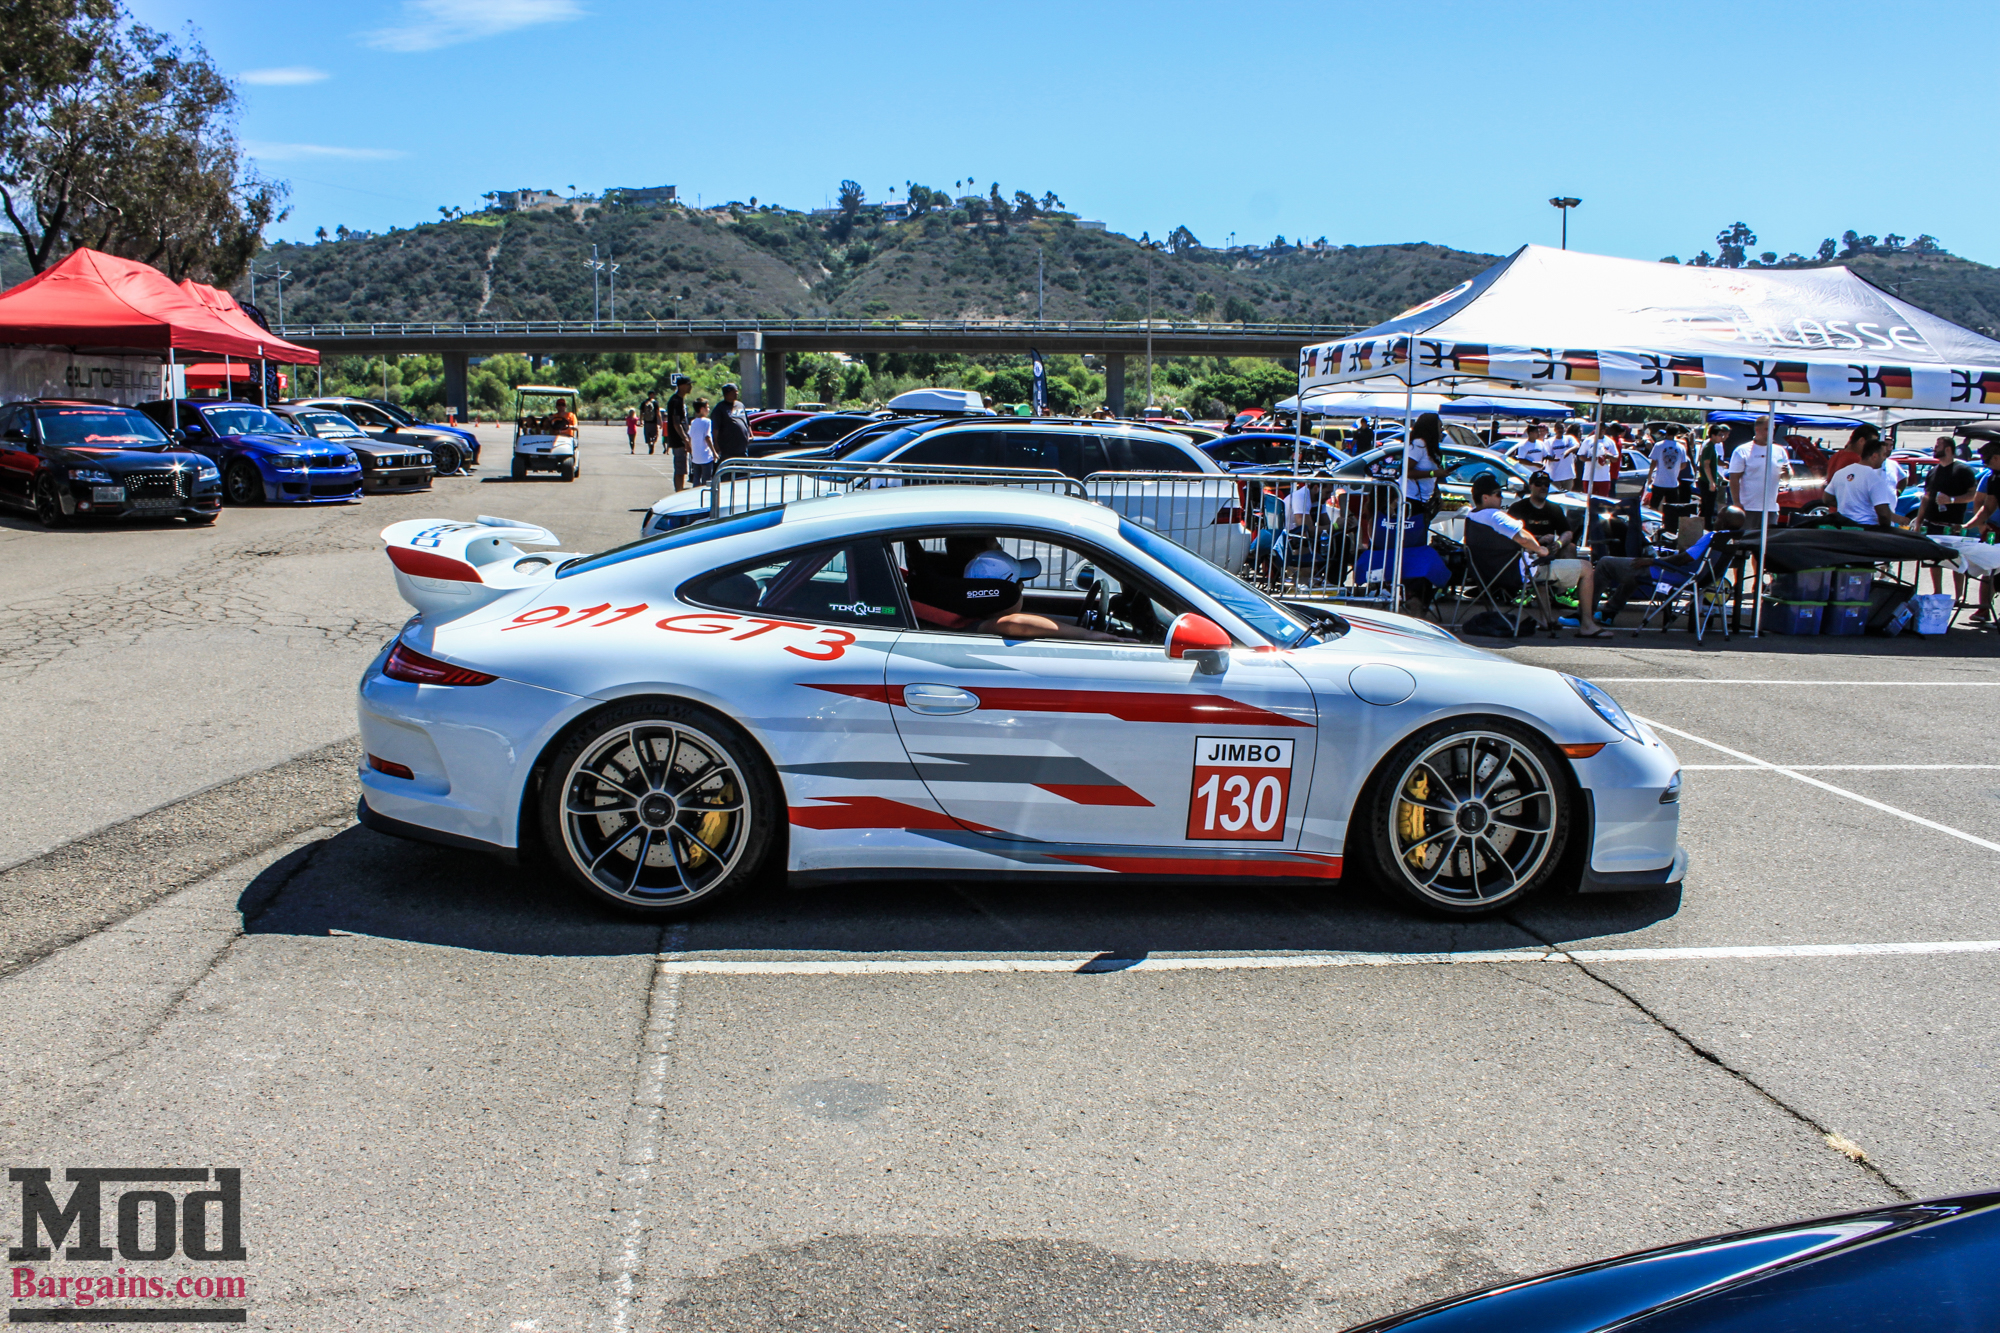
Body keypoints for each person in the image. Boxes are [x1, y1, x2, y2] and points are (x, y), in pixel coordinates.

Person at [1465, 474, 1610, 637]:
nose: (1501, 498)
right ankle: (1587, 625)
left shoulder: (1472, 516)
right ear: (1485, 497)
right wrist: (1541, 550)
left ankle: (1546, 620)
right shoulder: (1494, 515)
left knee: (1538, 566)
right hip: (1516, 574)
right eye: (1498, 494)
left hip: (1487, 574)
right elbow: (1523, 537)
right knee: (1586, 568)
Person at [949, 536, 1125, 641]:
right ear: (1004, 595)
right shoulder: (978, 626)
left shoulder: (972, 618)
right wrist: (1087, 635)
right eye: (1019, 583)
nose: (1023, 587)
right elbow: (1015, 623)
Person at [1593, 505, 1744, 626]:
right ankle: (1608, 613)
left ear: (1723, 522)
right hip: (1701, 579)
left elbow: (1683, 558)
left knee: (1605, 563)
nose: (1715, 519)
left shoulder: (1713, 536)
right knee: (1634, 573)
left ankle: (1586, 612)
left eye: (1719, 517)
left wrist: (1654, 561)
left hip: (1676, 575)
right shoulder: (1732, 540)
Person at [1505, 470, 1600, 623]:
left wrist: (1559, 543)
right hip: (1526, 553)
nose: (1543, 487)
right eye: (1539, 484)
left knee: (1570, 547)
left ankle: (1562, 593)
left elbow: (1567, 532)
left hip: (1548, 552)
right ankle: (1527, 591)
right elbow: (1510, 535)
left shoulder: (1554, 508)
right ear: (1530, 486)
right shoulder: (1518, 507)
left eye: (1546, 484)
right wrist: (1538, 539)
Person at [1915, 436, 1979, 596]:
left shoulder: (1963, 470)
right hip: (1932, 524)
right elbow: (1926, 497)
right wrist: (1918, 522)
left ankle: (1959, 596)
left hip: (1952, 525)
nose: (1934, 448)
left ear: (1948, 449)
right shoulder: (1933, 471)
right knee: (1934, 561)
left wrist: (1952, 500)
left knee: (1956, 561)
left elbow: (1973, 495)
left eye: (1938, 446)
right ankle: (1938, 593)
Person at [1826, 433, 1899, 529]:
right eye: (1883, 455)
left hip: (1844, 528)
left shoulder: (1840, 473)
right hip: (1866, 529)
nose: (1884, 458)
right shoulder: (1875, 478)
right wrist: (1885, 530)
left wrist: (1847, 504)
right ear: (1874, 456)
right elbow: (1884, 514)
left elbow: (1826, 498)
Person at [1964, 438, 2000, 625]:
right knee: (1991, 568)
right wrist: (1968, 525)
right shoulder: (1994, 477)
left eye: (1987, 460)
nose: (1985, 465)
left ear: (1996, 457)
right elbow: (1987, 507)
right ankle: (1984, 610)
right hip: (1996, 529)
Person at [1726, 417, 1785, 519]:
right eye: (1767, 429)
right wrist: (1737, 503)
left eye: (1773, 429)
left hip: (1771, 508)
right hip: (1748, 507)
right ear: (1757, 429)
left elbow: (1788, 476)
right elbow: (1734, 478)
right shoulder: (1742, 451)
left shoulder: (1779, 451)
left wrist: (1787, 473)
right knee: (1748, 530)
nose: (1770, 433)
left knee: (1770, 530)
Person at [1645, 427, 1689, 512]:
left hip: (1659, 482)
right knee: (1672, 508)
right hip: (1673, 483)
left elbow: (1653, 463)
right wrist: (1676, 469)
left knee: (1654, 506)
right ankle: (1669, 520)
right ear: (1676, 434)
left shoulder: (1658, 445)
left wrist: (1649, 476)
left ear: (1666, 432)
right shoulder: (1681, 447)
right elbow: (1684, 464)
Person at [1405, 412, 1441, 513]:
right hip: (1412, 498)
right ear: (1431, 428)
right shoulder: (1419, 444)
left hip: (1424, 498)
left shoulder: (1430, 446)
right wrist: (1433, 473)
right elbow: (1406, 472)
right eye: (1439, 426)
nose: (1442, 429)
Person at [709, 383, 751, 464]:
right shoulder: (720, 408)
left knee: (743, 470)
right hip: (728, 449)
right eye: (734, 392)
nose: (737, 393)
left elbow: (747, 422)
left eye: (737, 391)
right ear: (727, 393)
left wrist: (750, 435)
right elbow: (715, 428)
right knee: (729, 469)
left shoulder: (740, 405)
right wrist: (716, 444)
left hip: (742, 447)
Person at [1696, 423, 1728, 522]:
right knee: (1708, 508)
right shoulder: (1709, 447)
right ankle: (1706, 526)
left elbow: (1713, 464)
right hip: (1706, 481)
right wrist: (1711, 482)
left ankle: (1703, 525)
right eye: (1720, 435)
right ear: (1713, 435)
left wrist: (1718, 476)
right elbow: (1706, 465)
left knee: (1707, 507)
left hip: (1709, 480)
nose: (1721, 437)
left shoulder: (1713, 447)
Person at [666, 376, 692, 487]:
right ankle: (679, 491)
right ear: (681, 386)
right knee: (680, 469)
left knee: (683, 469)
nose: (690, 387)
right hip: (678, 440)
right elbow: (676, 423)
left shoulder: (680, 400)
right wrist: (685, 439)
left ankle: (680, 489)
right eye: (688, 384)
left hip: (682, 439)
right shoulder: (675, 401)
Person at [1581, 424, 1619, 497]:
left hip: (1604, 477)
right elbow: (1581, 456)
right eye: (1599, 429)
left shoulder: (1610, 441)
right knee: (1589, 499)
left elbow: (1616, 458)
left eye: (1602, 429)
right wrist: (1590, 459)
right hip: (1589, 477)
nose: (1600, 431)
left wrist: (1608, 456)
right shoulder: (1588, 441)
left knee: (1603, 500)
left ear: (1605, 430)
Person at [686, 398, 715, 484]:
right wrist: (714, 452)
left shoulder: (693, 422)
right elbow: (707, 437)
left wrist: (690, 449)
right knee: (706, 479)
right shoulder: (707, 421)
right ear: (702, 409)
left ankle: (696, 490)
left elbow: (690, 437)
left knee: (696, 478)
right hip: (706, 456)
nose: (709, 409)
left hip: (696, 456)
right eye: (707, 407)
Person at [1545, 423, 1581, 491]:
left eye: (1562, 428)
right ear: (1555, 430)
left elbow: (1577, 445)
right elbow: (1547, 455)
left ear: (1565, 429)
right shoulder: (1549, 441)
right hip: (1555, 475)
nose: (1560, 430)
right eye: (1558, 428)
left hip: (1568, 474)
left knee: (1567, 494)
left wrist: (1568, 451)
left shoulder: (1569, 438)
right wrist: (1553, 459)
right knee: (1556, 494)